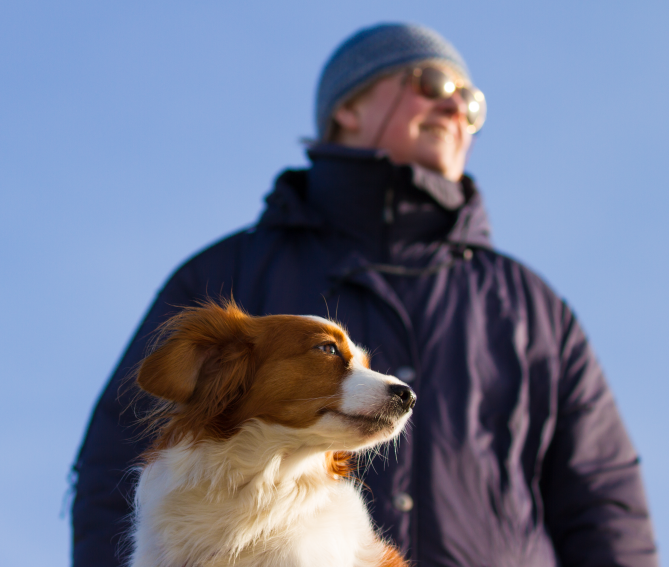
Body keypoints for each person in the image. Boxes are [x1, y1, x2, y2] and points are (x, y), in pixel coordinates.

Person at [71, 23, 658, 566]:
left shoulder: (532, 307)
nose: (455, 107)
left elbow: (603, 499)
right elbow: (113, 465)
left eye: (472, 103)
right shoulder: (227, 271)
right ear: (347, 107)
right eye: (433, 83)